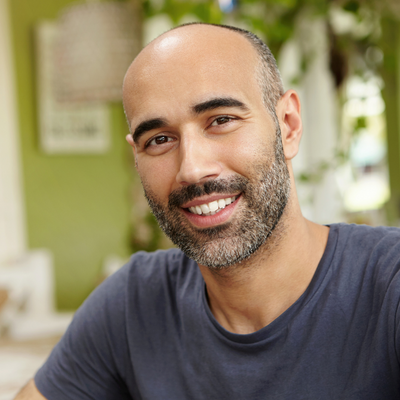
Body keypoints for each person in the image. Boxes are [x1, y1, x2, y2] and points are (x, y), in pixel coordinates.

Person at [15, 23, 400, 400]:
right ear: (137, 158)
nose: (192, 169)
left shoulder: (388, 286)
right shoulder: (132, 306)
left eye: (221, 120)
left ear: (288, 126)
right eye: (160, 140)